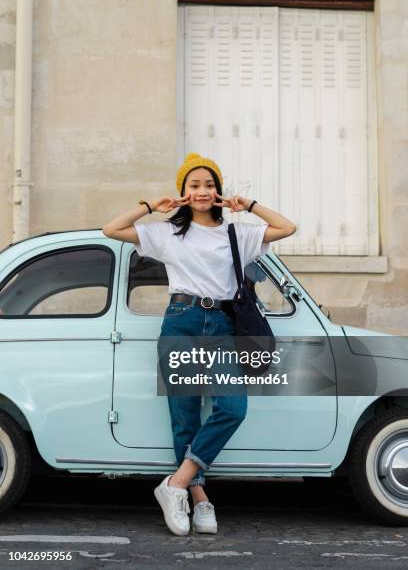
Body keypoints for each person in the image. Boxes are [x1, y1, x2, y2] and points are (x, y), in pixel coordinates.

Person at [102, 152, 296, 536]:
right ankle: (199, 498)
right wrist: (149, 206)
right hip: (182, 322)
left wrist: (249, 206)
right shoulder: (166, 233)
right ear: (184, 192)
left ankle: (174, 484)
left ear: (219, 192)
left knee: (232, 407)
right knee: (185, 416)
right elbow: (111, 229)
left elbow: (287, 227)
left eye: (209, 185)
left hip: (223, 325)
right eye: (194, 185)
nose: (203, 190)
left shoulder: (238, 233)